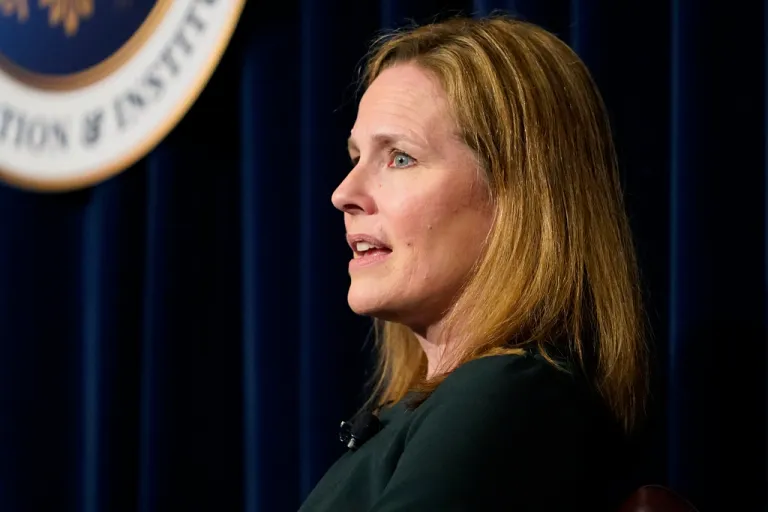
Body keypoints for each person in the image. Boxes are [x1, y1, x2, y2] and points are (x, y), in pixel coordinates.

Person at [299, 14, 648, 511]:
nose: (343, 194)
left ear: (518, 195)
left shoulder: (505, 397)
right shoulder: (448, 406)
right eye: (355, 157)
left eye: (399, 157)